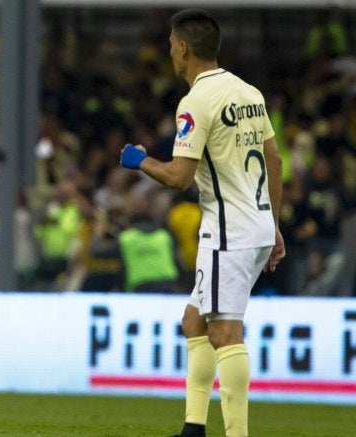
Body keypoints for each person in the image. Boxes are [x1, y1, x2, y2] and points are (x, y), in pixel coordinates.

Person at [119, 9, 285, 437]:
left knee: (225, 333)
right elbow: (275, 159)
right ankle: (194, 428)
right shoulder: (249, 92)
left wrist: (140, 161)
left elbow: (179, 178)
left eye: (172, 45)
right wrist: (275, 223)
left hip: (229, 232)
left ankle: (237, 434)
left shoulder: (195, 101)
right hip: (258, 226)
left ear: (185, 48)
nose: (170, 52)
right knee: (194, 322)